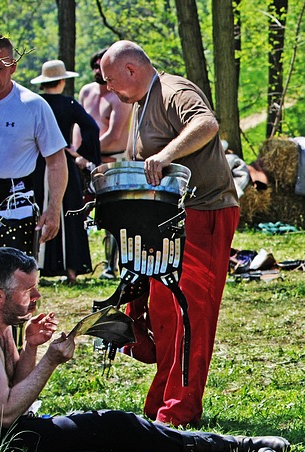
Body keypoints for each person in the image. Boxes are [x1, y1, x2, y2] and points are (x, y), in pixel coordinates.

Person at [0, 247, 288, 452]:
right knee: (117, 424)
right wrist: (49, 361)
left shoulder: (2, 320)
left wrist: (33, 346)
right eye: (28, 291)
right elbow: (5, 413)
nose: (36, 297)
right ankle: (236, 447)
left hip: (9, 432)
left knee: (98, 427)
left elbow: (12, 389)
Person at [100, 41, 240, 427]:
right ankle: (163, 398)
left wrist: (166, 156)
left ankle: (181, 409)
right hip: (168, 219)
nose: (108, 87)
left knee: (190, 312)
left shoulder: (173, 91)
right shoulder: (140, 103)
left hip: (205, 211)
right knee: (164, 310)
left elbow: (206, 124)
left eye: (111, 79)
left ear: (131, 70)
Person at [0, 35, 67, 257]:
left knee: (16, 287)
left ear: (13, 67)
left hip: (15, 211)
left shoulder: (33, 105)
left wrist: (53, 208)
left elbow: (56, 160)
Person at [29, 59, 100, 283]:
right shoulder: (68, 104)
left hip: (36, 164)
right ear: (61, 81)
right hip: (62, 163)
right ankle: (71, 271)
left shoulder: (35, 103)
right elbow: (91, 127)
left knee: (36, 210)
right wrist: (80, 152)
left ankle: (35, 268)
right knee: (70, 213)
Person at [76, 47, 133, 280]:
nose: (97, 71)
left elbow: (113, 133)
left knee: (115, 216)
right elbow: (79, 127)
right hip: (88, 163)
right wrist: (77, 153)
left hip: (114, 161)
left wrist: (86, 154)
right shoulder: (86, 91)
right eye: (95, 66)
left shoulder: (120, 96)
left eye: (102, 66)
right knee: (89, 213)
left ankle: (112, 267)